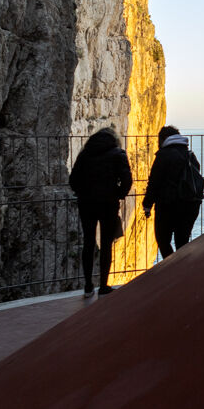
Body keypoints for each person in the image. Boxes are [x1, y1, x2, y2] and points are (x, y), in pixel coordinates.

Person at [68, 127, 132, 297]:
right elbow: (127, 180)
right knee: (106, 244)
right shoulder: (118, 154)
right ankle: (103, 285)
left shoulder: (85, 155)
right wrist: (117, 194)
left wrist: (82, 192)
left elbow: (73, 180)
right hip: (108, 204)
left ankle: (88, 285)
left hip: (86, 204)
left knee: (88, 243)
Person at [142, 125, 204, 259]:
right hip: (190, 205)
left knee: (163, 241)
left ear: (163, 139)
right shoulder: (190, 155)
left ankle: (171, 268)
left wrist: (147, 205)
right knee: (182, 242)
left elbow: (154, 183)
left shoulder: (163, 155)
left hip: (167, 205)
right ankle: (183, 272)